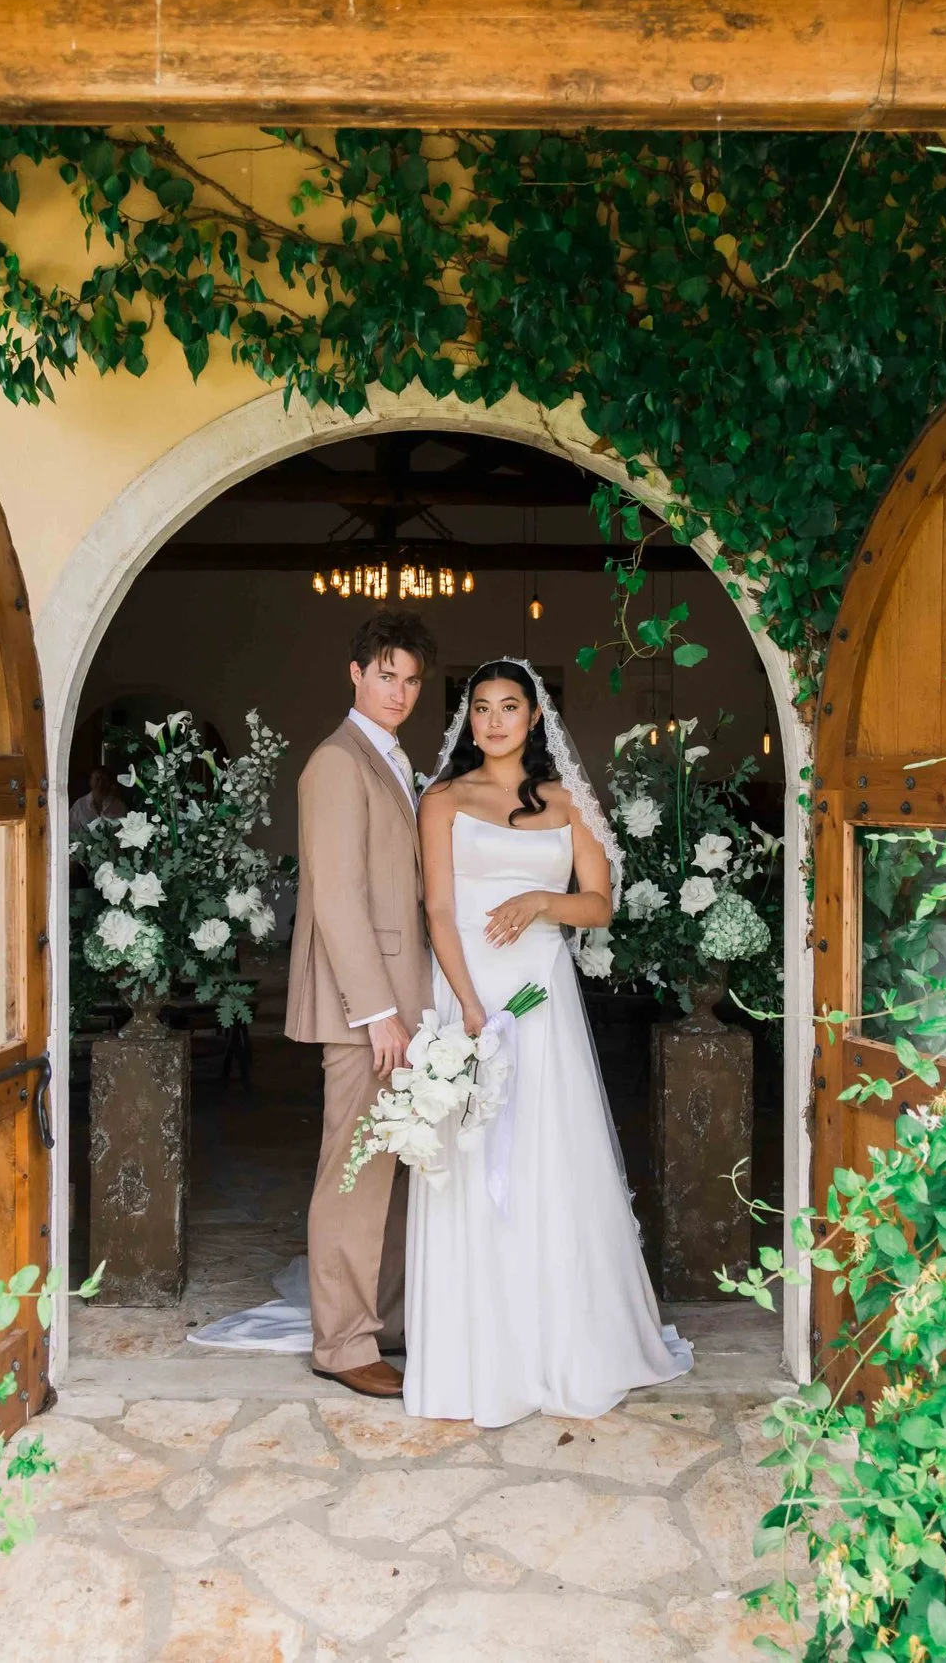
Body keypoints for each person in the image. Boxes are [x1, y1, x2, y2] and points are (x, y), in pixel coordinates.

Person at [407, 659, 692, 1424]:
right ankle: (476, 1357)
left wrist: (540, 899)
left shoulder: (568, 802)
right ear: (467, 720)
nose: (494, 721)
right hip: (469, 993)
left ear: (536, 718)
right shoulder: (441, 799)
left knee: (548, 1157)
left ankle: (563, 1344)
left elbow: (599, 905)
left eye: (510, 707)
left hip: (543, 1000)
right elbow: (437, 909)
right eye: (481, 708)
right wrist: (468, 1008)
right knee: (471, 1160)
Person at [286, 610, 437, 1399]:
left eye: (411, 679)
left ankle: (384, 1322)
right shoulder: (337, 763)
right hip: (363, 1007)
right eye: (386, 675)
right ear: (355, 674)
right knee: (352, 1168)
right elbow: (338, 898)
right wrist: (376, 1010)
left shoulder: (392, 757)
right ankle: (341, 1342)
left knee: (390, 1164)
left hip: (399, 1002)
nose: (399, 691)